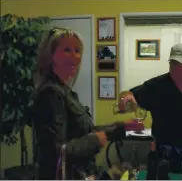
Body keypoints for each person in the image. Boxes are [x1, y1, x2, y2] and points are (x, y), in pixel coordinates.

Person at [31, 27, 128, 179]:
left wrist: (118, 128)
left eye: (77, 51)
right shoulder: (51, 93)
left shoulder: (65, 92)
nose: (74, 56)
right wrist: (95, 140)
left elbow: (82, 130)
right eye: (67, 50)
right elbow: (56, 153)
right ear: (51, 56)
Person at [118, 43, 182, 172]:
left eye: (181, 64)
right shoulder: (156, 85)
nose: (176, 68)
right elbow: (129, 94)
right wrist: (125, 98)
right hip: (161, 149)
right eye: (173, 63)